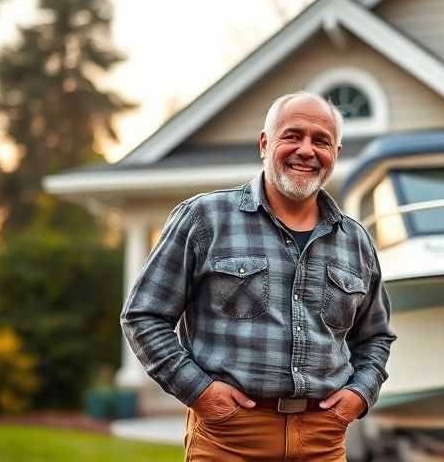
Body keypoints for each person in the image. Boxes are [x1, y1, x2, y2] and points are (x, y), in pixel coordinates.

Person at [120, 92, 396, 461]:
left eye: (321, 141)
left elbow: (375, 337)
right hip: (229, 438)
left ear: (336, 154)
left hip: (323, 441)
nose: (306, 150)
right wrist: (200, 392)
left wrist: (359, 395)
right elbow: (144, 315)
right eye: (292, 136)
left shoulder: (356, 240)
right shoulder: (205, 218)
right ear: (264, 143)